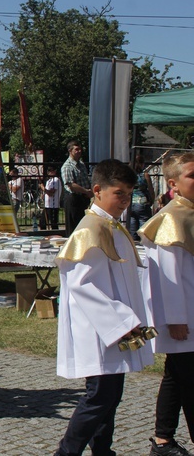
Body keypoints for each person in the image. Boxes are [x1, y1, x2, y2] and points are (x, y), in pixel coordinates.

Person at [53, 159, 153, 456]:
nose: (125, 201)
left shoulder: (110, 225)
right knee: (98, 398)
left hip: (114, 330)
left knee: (110, 398)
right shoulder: (90, 230)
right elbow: (82, 285)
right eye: (119, 194)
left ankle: (103, 450)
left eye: (129, 194)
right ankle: (66, 452)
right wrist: (122, 323)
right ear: (97, 190)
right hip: (100, 331)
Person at [139, 152, 194, 456]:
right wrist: (175, 318)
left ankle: (163, 439)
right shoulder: (173, 217)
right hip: (185, 316)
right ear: (173, 183)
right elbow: (168, 276)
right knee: (188, 379)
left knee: (175, 376)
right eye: (192, 176)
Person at [61, 140, 93, 236]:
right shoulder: (67, 166)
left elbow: (86, 180)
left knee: (84, 228)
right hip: (73, 199)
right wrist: (86, 191)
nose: (79, 151)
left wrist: (89, 191)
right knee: (73, 229)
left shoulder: (81, 164)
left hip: (83, 199)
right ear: (70, 151)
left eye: (80, 149)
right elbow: (71, 185)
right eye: (76, 149)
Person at [128, 153, 155, 241]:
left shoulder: (129, 175)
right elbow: (151, 189)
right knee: (144, 223)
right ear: (142, 164)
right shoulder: (145, 175)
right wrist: (152, 199)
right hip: (142, 201)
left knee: (132, 222)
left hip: (131, 202)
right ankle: (144, 241)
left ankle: (134, 242)